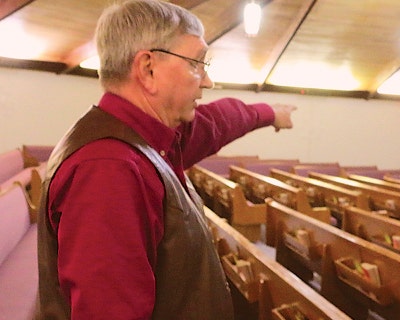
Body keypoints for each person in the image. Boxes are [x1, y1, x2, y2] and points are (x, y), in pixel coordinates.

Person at [35, 0, 296, 319]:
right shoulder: (110, 169)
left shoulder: (149, 136)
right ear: (148, 69)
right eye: (196, 63)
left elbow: (217, 123)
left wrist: (269, 114)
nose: (207, 81)